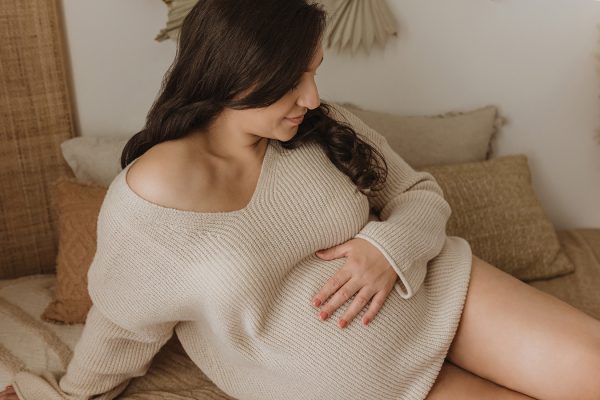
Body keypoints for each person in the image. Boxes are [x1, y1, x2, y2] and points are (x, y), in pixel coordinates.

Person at [3, 0, 600, 399]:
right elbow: (122, 328)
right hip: (375, 386)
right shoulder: (149, 200)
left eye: (316, 72)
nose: (312, 98)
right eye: (294, 80)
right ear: (233, 73)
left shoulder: (320, 127)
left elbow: (420, 194)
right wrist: (74, 394)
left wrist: (385, 247)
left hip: (445, 292)